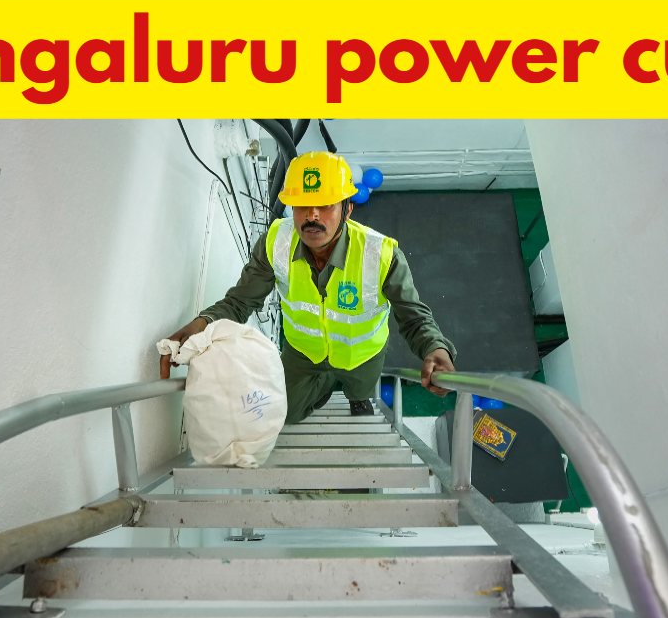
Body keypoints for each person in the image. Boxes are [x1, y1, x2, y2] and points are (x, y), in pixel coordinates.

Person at [159, 151, 456, 423]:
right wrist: (202, 324)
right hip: (302, 352)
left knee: (360, 392)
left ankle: (357, 398)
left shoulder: (381, 255)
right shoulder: (275, 243)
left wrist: (436, 348)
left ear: (347, 210)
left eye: (325, 205)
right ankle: (324, 384)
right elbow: (240, 302)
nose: (312, 215)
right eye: (301, 205)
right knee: (285, 415)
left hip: (361, 355)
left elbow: (413, 318)